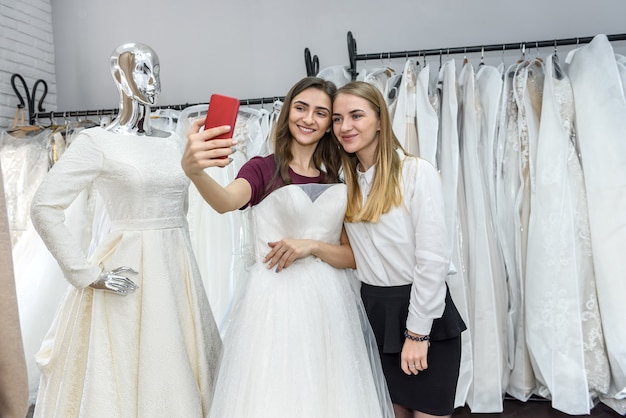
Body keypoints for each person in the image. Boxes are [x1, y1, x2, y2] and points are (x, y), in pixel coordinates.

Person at [181, 76, 393, 418]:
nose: (308, 119)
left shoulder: (338, 176)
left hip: (331, 304)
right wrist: (195, 173)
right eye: (301, 108)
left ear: (329, 124)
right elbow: (224, 201)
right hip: (274, 301)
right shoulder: (263, 168)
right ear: (287, 112)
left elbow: (352, 256)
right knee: (276, 392)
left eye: (321, 113)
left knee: (330, 393)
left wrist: (311, 246)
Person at [29, 42, 222, 417]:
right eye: (144, 70)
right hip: (127, 272)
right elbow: (44, 206)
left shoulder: (174, 142)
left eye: (157, 70)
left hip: (177, 270)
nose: (154, 81)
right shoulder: (96, 143)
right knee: (131, 369)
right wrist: (85, 273)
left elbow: (181, 207)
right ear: (119, 76)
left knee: (179, 361)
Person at [331, 81, 466, 418]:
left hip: (421, 314)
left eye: (356, 115)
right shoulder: (342, 182)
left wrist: (417, 334)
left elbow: (433, 260)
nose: (344, 127)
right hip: (374, 316)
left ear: (380, 120)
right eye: (336, 118)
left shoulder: (416, 173)